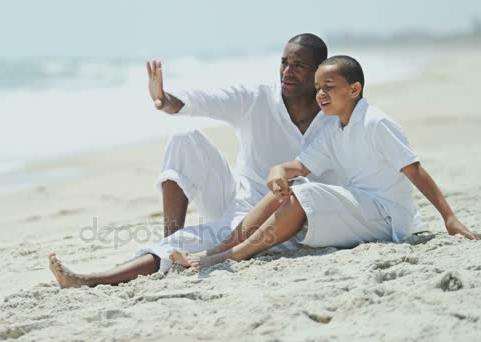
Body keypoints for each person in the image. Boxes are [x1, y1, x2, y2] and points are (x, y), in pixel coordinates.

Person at [48, 33, 339, 288]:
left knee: (197, 239)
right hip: (237, 201)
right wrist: (166, 99)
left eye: (298, 65)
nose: (287, 71)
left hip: (278, 221)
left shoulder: (335, 115)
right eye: (284, 62)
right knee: (184, 136)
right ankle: (169, 239)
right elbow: (207, 99)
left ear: (318, 74)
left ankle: (93, 280)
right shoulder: (257, 98)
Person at [170, 55, 478, 271]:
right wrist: (279, 171)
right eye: (317, 88)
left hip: (388, 217)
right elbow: (299, 166)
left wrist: (449, 217)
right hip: (361, 208)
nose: (320, 94)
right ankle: (218, 249)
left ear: (354, 89)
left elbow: (415, 170)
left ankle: (230, 256)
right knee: (288, 186)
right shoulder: (334, 128)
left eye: (329, 87)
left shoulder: (375, 122)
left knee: (307, 193)